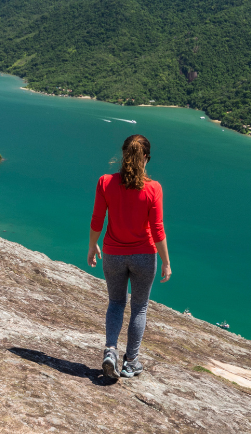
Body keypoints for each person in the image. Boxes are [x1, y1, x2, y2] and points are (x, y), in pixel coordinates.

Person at [88, 134, 172, 379]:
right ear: (146, 158)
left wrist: (92, 246)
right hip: (145, 256)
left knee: (115, 303)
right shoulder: (153, 188)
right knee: (139, 307)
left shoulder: (105, 182)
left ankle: (110, 352)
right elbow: (157, 230)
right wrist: (166, 262)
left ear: (124, 154)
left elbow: (97, 219)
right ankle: (131, 362)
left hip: (113, 254)